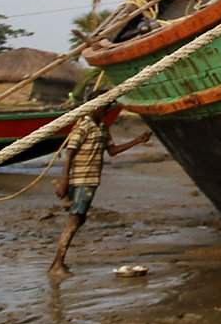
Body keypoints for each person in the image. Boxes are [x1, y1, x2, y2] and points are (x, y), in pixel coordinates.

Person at [48, 111, 151, 278]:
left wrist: (137, 140)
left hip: (92, 179)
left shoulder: (103, 127)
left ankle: (57, 262)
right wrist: (65, 179)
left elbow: (112, 150)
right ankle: (57, 264)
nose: (106, 111)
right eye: (104, 108)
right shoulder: (83, 126)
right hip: (82, 180)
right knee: (75, 219)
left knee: (78, 218)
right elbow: (70, 153)